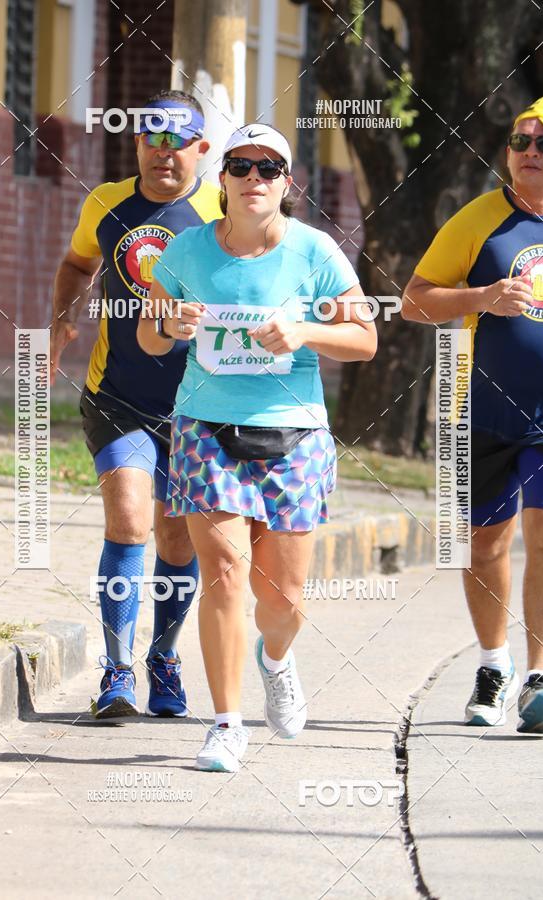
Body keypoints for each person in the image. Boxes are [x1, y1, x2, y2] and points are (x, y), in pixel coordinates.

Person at [137, 123, 377, 771]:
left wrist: (302, 331)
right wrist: (170, 320)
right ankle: (225, 723)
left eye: (268, 168)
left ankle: (276, 659)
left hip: (294, 436)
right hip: (203, 430)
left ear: (287, 183)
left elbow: (365, 340)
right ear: (221, 180)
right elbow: (149, 338)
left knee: (282, 600)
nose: (253, 178)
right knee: (221, 576)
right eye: (240, 166)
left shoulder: (314, 251)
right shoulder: (187, 252)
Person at [50, 91, 221, 720]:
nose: (164, 153)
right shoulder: (106, 203)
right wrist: (61, 325)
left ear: (203, 148)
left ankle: (164, 659)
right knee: (129, 523)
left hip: (201, 403)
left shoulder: (221, 208)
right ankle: (117, 671)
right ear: (138, 145)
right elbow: (76, 264)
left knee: (178, 539)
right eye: (153, 139)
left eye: (179, 141)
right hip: (119, 394)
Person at [403, 97, 543, 733]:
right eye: (521, 142)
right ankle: (495, 664)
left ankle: (540, 678)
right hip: (481, 409)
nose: (531, 153)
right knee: (485, 544)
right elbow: (414, 301)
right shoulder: (481, 218)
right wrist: (485, 298)